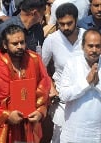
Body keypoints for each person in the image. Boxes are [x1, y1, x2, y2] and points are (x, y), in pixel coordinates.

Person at [0, 24, 51, 143]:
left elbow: (44, 89)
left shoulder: (34, 60)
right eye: (15, 44)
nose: (20, 46)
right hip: (6, 132)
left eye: (22, 42)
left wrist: (40, 112)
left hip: (29, 127)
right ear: (5, 45)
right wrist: (7, 115)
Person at [42, 3, 86, 143]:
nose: (65, 27)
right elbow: (41, 68)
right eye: (62, 24)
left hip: (85, 95)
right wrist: (51, 87)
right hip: (61, 99)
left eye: (69, 23)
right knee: (59, 136)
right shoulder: (51, 40)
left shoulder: (88, 37)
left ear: (76, 19)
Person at [59, 28, 101, 142]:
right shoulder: (72, 64)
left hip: (97, 133)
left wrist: (97, 85)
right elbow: (63, 95)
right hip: (74, 133)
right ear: (83, 46)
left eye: (98, 46)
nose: (94, 50)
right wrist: (86, 82)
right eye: (90, 46)